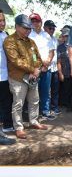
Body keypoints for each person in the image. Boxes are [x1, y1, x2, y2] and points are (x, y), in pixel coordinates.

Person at [4, 14, 48, 139]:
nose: (28, 31)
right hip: (18, 78)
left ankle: (34, 121)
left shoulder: (31, 41)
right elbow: (15, 61)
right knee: (18, 103)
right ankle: (18, 128)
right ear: (17, 26)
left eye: (29, 28)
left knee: (34, 100)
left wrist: (38, 69)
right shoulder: (10, 41)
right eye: (25, 28)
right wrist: (32, 70)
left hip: (33, 77)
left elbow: (38, 58)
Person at [29, 13, 56, 120]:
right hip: (34, 69)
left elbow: (51, 51)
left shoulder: (47, 35)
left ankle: (45, 111)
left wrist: (48, 62)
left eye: (37, 21)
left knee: (45, 91)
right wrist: (39, 64)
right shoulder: (29, 35)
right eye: (33, 21)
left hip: (47, 68)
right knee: (33, 93)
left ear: (41, 22)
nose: (35, 23)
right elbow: (32, 54)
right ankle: (34, 115)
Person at [0, 9, 16, 145]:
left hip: (5, 76)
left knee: (6, 102)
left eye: (3, 20)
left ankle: (6, 126)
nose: (2, 23)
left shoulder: (5, 35)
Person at [43, 20, 61, 115]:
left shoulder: (55, 39)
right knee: (45, 90)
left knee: (55, 89)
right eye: (50, 28)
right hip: (45, 68)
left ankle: (54, 107)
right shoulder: (42, 38)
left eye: (53, 28)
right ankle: (45, 109)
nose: (52, 30)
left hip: (55, 68)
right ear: (44, 28)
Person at [57, 27, 72, 112]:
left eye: (67, 36)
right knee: (67, 89)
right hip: (66, 72)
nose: (66, 38)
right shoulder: (60, 47)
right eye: (64, 36)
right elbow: (59, 61)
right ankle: (69, 105)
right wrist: (60, 73)